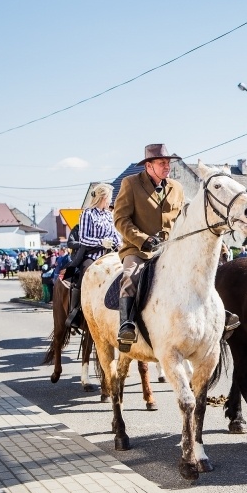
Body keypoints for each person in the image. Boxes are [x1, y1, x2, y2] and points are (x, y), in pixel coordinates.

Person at [113, 143, 185, 351]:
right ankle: (126, 325)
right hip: (138, 250)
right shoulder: (130, 183)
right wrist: (142, 238)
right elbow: (120, 219)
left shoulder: (177, 188)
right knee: (131, 276)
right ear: (148, 166)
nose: (167, 166)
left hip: (170, 250)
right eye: (162, 162)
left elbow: (181, 218)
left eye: (168, 163)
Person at [65, 183, 122, 330]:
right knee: (85, 274)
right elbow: (84, 239)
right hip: (92, 254)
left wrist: (119, 242)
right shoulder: (87, 214)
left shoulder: (110, 215)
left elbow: (116, 235)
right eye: (110, 197)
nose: (111, 200)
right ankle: (75, 312)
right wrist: (101, 242)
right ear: (103, 197)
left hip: (110, 254)